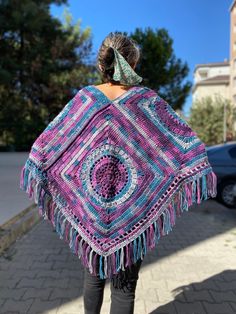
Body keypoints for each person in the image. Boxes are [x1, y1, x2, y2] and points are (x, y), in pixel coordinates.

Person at [20, 32, 217, 314]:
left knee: (92, 278)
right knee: (124, 287)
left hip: (90, 210)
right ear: (133, 64)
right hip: (132, 211)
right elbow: (187, 146)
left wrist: (39, 169)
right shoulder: (147, 102)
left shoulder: (85, 100)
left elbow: (45, 147)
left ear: (102, 66)